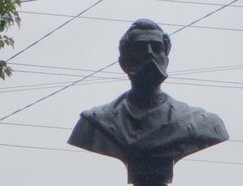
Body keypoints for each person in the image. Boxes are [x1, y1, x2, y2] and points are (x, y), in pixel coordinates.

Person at [68, 19, 228, 169]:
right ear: (124, 62)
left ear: (166, 59)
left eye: (157, 48)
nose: (150, 54)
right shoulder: (94, 124)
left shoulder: (202, 123)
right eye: (140, 48)